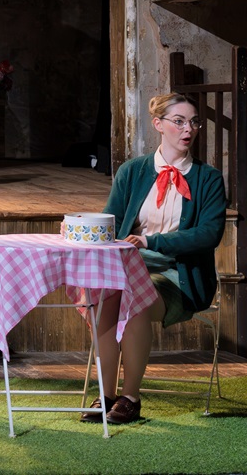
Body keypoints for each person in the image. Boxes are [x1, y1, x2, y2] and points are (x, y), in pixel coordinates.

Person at [81, 93, 226, 425]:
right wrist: (80, 228)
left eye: (193, 122)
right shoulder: (133, 171)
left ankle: (130, 397)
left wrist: (151, 240)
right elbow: (110, 223)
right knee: (104, 295)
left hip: (179, 274)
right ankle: (105, 395)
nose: (187, 128)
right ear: (159, 125)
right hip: (132, 265)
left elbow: (209, 234)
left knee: (135, 299)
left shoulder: (208, 179)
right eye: (179, 121)